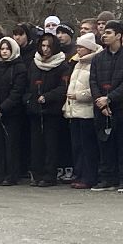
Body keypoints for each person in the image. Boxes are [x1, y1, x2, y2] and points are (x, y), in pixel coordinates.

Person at [91, 21, 123, 193]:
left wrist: (110, 98)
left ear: (118, 35)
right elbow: (93, 81)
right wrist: (100, 101)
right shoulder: (97, 58)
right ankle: (106, 178)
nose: (104, 35)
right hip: (102, 109)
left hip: (121, 107)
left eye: (109, 32)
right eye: (104, 33)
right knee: (105, 144)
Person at [26, 32, 70, 188]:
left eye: (48, 47)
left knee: (50, 144)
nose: (45, 50)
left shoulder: (62, 64)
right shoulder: (34, 63)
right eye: (43, 46)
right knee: (36, 143)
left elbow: (63, 87)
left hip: (52, 110)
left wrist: (48, 96)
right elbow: (27, 83)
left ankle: (49, 174)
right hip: (35, 109)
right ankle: (36, 173)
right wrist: (29, 99)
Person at [0, 36, 28, 186]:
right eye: (2, 49)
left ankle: (12, 174)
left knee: (11, 144)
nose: (4, 52)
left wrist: (2, 108)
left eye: (7, 49)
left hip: (12, 112)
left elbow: (17, 91)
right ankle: (0, 172)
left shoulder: (19, 67)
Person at [63, 33, 100, 190]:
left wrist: (79, 95)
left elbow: (94, 87)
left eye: (81, 47)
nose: (78, 49)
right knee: (77, 146)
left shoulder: (95, 63)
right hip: (74, 110)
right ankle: (79, 174)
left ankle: (89, 176)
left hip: (87, 111)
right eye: (77, 46)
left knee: (87, 147)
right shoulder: (77, 63)